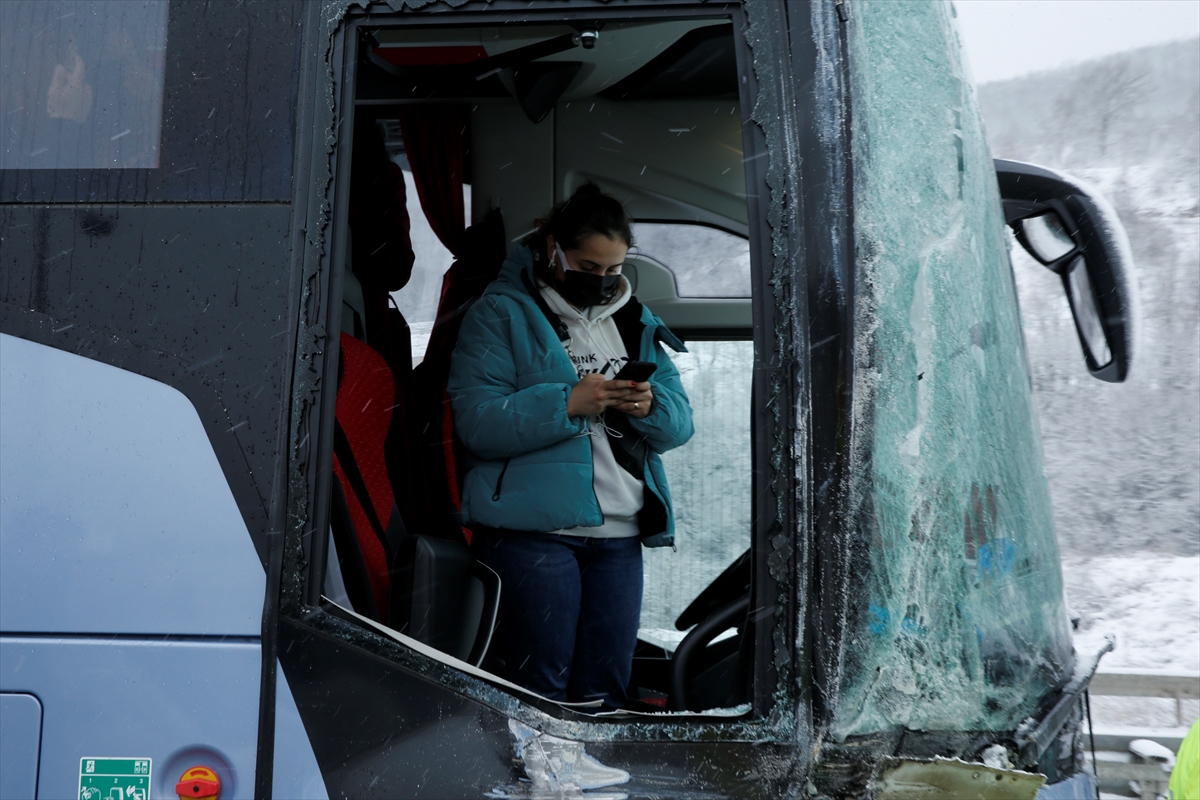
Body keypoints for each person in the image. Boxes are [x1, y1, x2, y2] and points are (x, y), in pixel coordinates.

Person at [447, 184, 694, 709]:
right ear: (552, 247)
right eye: (588, 266)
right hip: (535, 535)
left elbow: (679, 428)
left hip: (621, 534)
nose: (602, 281)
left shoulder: (636, 321)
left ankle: (598, 786)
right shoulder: (500, 314)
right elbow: (477, 424)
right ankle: (546, 789)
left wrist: (649, 407)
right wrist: (567, 403)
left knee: (606, 690)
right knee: (541, 691)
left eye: (613, 270)